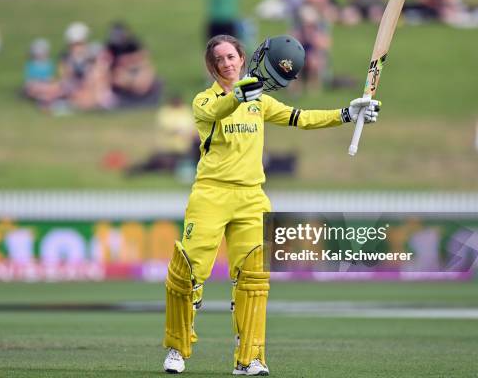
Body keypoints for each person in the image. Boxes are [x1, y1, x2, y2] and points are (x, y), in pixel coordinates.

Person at [162, 34, 380, 375]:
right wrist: (238, 94)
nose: (227, 63)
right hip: (211, 194)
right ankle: (177, 349)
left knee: (253, 279)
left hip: (251, 197)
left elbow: (301, 118)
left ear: (242, 57)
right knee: (187, 273)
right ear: (213, 66)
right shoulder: (203, 102)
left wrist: (347, 114)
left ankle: (249, 358)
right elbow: (223, 107)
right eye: (220, 59)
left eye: (232, 56)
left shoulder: (259, 102)